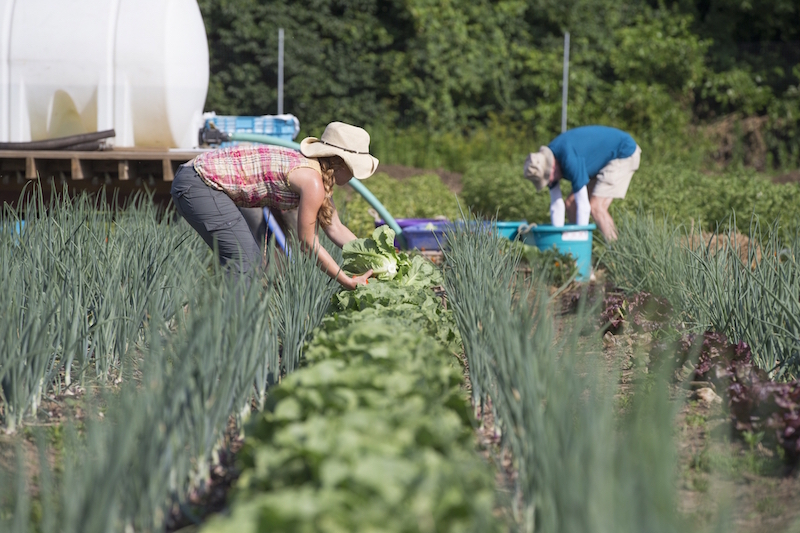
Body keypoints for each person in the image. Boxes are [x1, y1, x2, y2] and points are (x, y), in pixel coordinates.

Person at [171, 121, 377, 290]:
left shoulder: (316, 175)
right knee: (245, 258)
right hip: (199, 183)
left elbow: (335, 227)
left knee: (246, 258)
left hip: (196, 179)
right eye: (352, 169)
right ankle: (230, 330)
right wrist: (346, 280)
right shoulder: (312, 181)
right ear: (340, 163)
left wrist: (374, 257)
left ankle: (233, 325)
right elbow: (307, 243)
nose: (353, 177)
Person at [523, 125, 641, 241]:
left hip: (623, 152)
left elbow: (584, 206)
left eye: (547, 178)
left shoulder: (569, 159)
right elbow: (556, 204)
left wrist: (581, 238)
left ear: (552, 167)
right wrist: (558, 240)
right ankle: (574, 254)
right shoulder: (548, 163)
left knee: (596, 207)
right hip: (601, 161)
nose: (550, 182)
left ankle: (618, 255)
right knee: (571, 204)